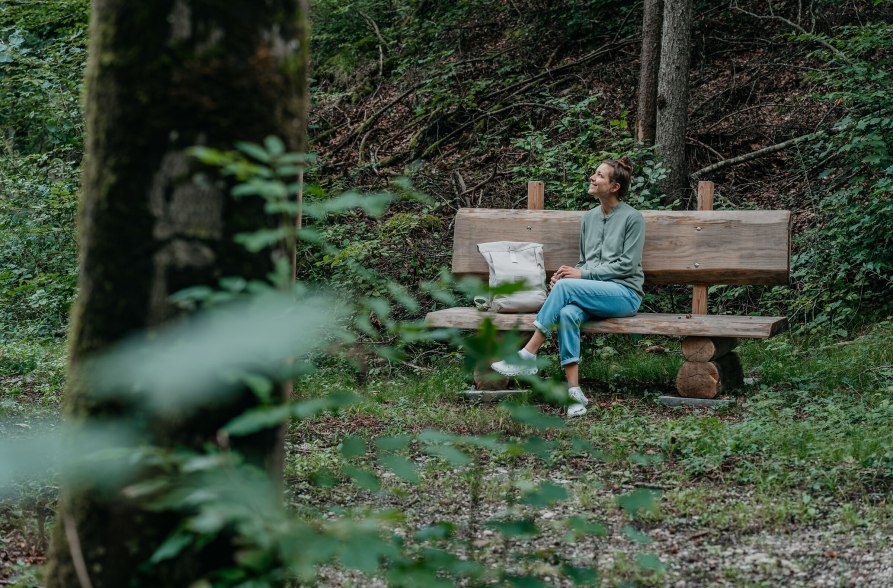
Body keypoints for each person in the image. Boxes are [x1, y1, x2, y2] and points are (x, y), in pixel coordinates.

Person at [490, 156, 645, 417]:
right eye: (594, 174)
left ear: (614, 187)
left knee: (565, 291)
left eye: (599, 175)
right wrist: (566, 277)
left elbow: (627, 267)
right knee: (566, 314)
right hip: (593, 293)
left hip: (624, 294)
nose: (592, 178)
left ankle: (528, 354)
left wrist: (578, 276)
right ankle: (574, 394)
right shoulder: (589, 218)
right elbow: (586, 262)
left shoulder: (633, 219)